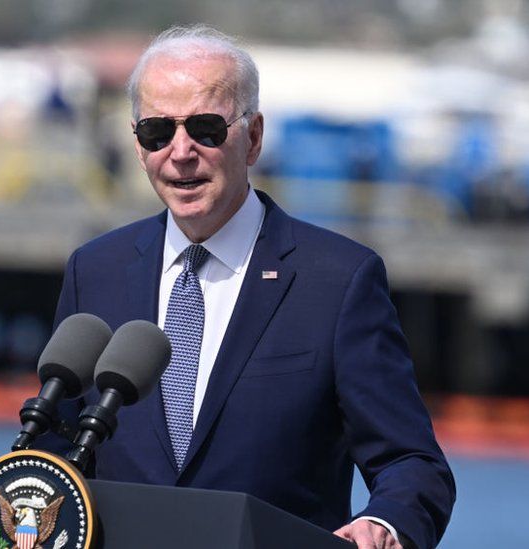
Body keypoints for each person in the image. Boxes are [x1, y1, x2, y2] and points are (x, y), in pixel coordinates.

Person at [42, 24, 455, 549]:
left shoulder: (338, 280)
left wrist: (386, 523)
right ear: (138, 144)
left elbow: (412, 463)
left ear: (253, 137)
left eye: (207, 129)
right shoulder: (94, 270)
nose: (181, 151)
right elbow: (55, 446)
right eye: (157, 132)